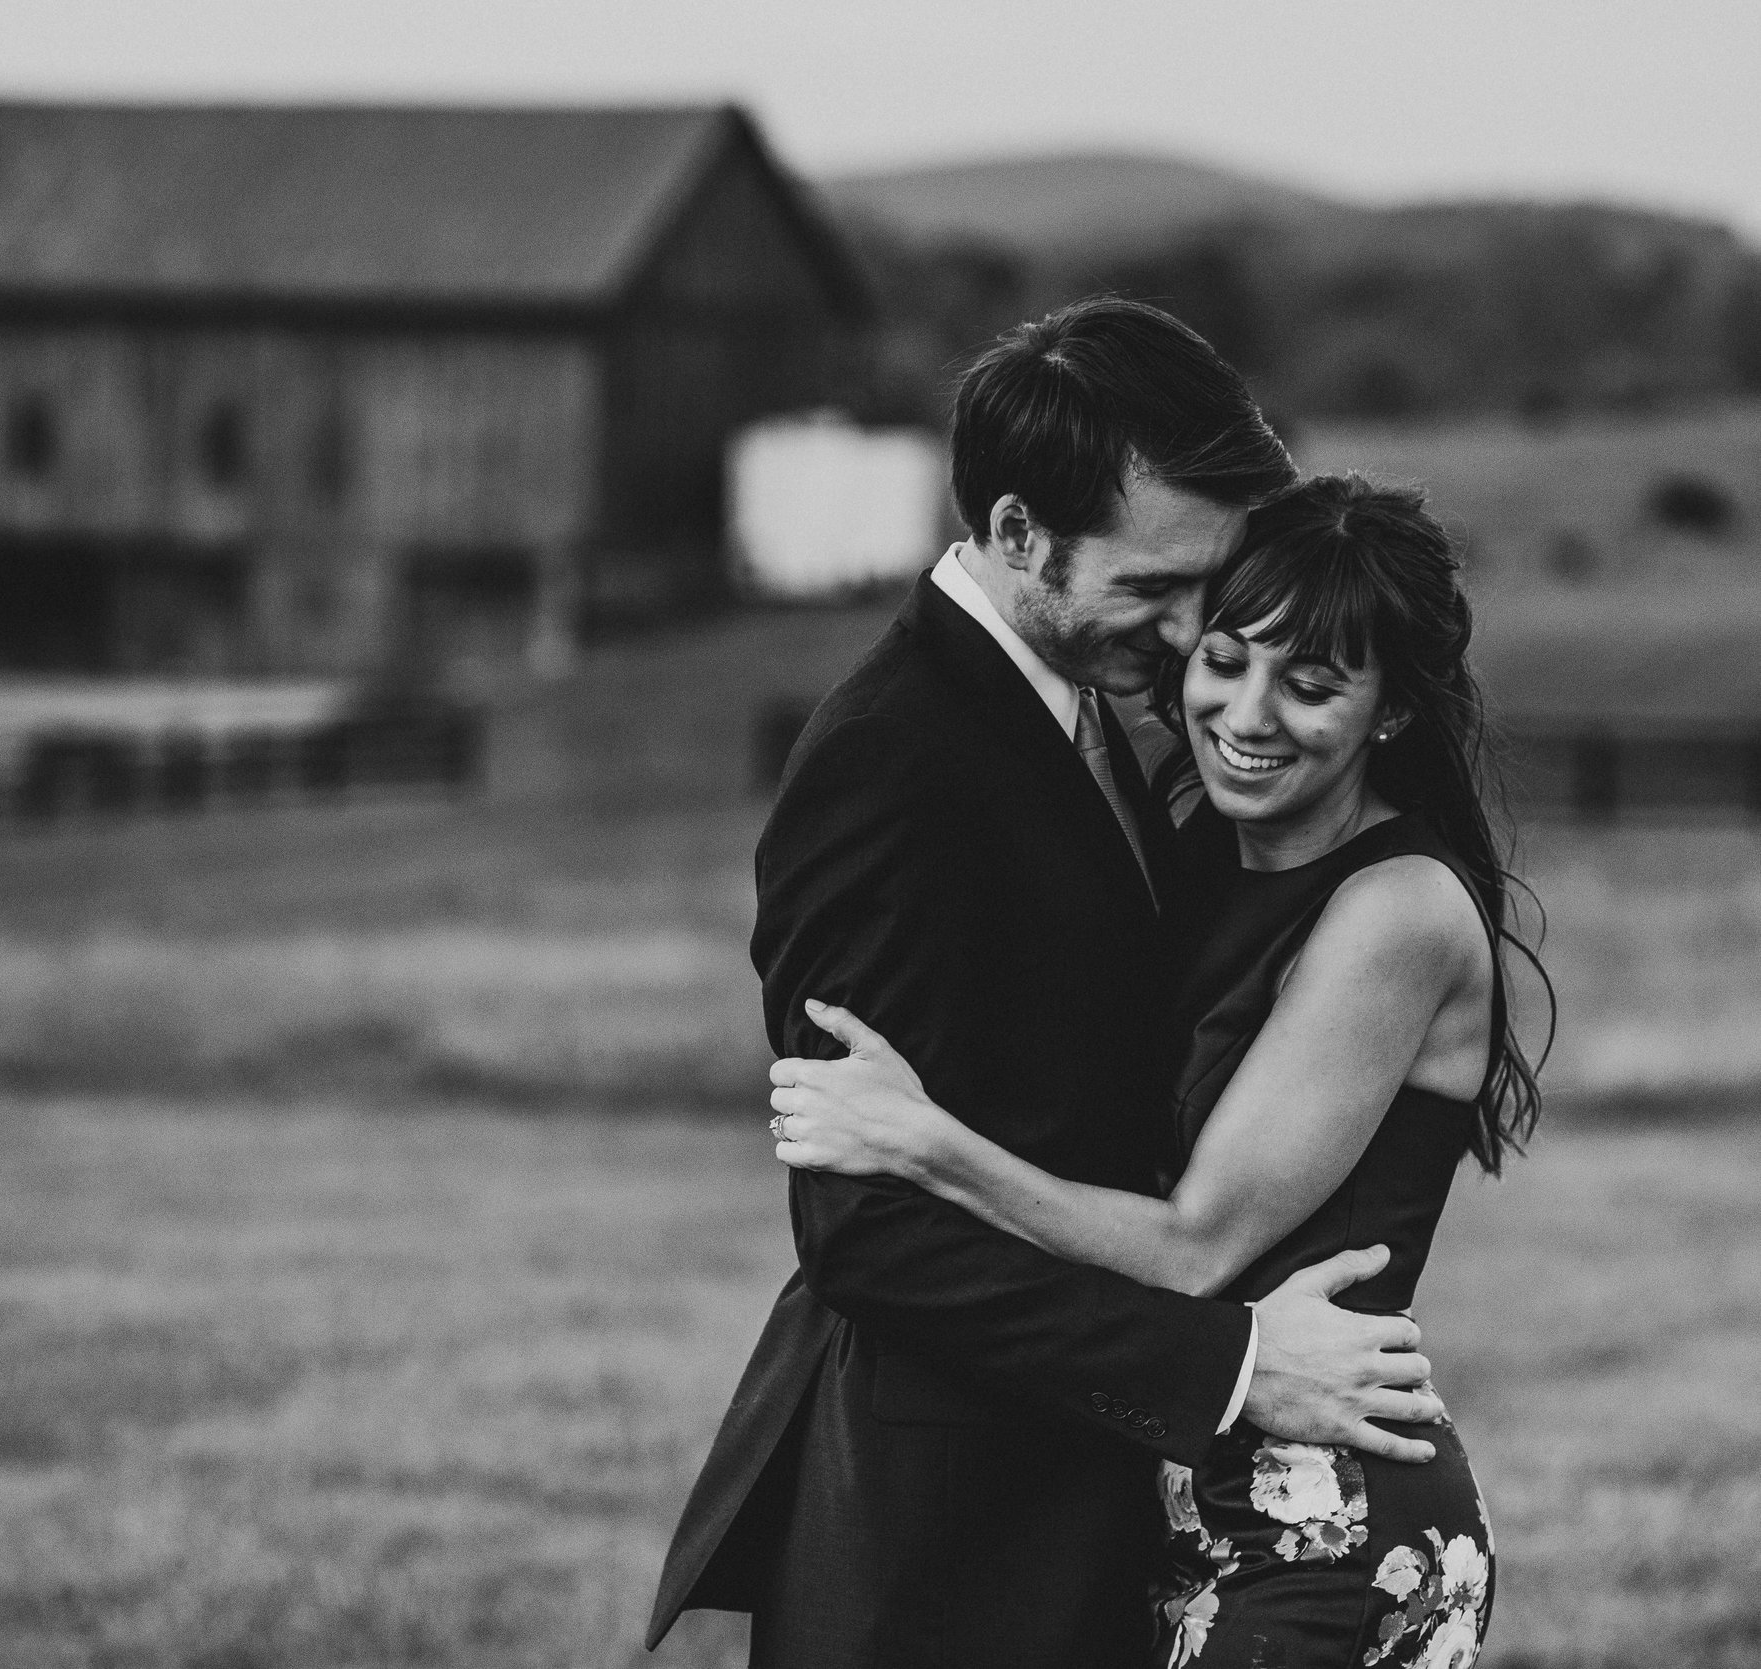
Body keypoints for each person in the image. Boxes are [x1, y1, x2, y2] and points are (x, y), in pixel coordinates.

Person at [646, 298, 1446, 1669]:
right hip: (945, 1530)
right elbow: (867, 1232)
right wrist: (1237, 1367)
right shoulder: (893, 761)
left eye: (1212, 578)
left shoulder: (1083, 711)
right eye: (1156, 587)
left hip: (1082, 1493)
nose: (1197, 629)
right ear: (1021, 534)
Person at [767, 472, 1544, 1667]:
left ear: (1389, 713)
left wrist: (923, 1142)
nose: (1247, 711)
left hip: (1325, 1536)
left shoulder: (1398, 910)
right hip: (1165, 1509)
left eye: (1312, 684)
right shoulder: (1196, 857)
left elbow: (1196, 1244)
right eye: (1224, 658)